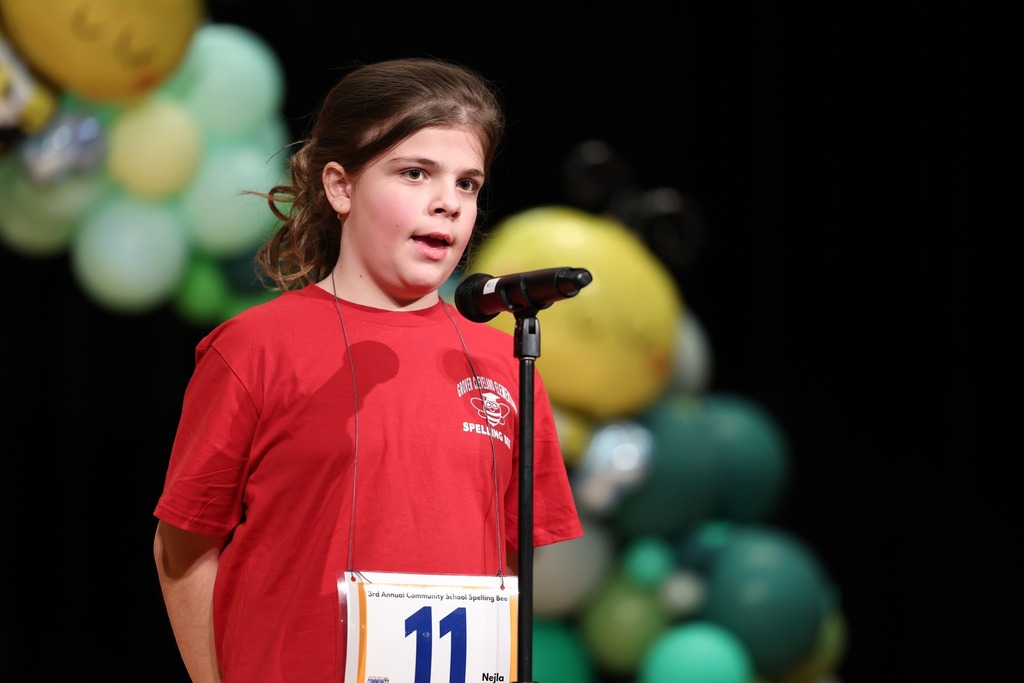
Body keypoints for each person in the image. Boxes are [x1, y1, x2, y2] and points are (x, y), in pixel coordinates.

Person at [152, 56, 584, 683]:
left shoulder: (505, 359)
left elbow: (511, 566)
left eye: (467, 183)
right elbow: (183, 550)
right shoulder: (255, 347)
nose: (448, 204)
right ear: (341, 187)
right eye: (415, 173)